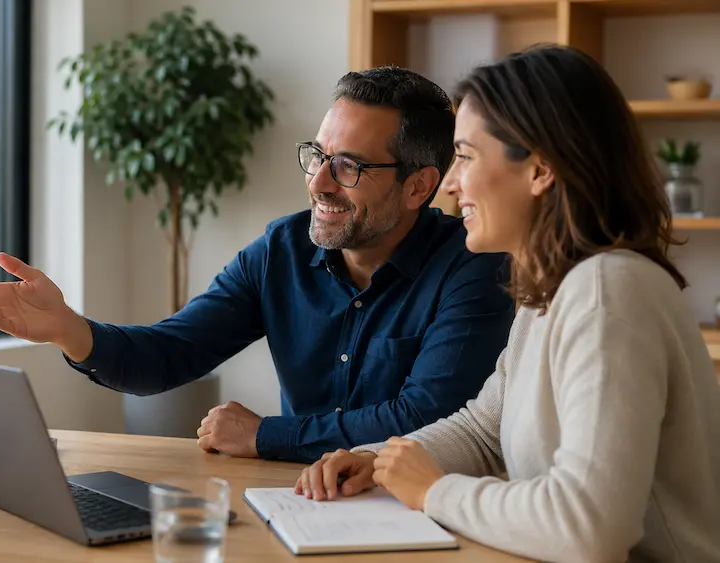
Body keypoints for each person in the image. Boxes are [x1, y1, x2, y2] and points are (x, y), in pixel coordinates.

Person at [0, 67, 515, 464]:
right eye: (317, 155)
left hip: (416, 514)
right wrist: (69, 331)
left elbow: (426, 420)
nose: (317, 183)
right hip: (300, 503)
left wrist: (266, 435)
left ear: (419, 185)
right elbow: (171, 353)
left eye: (347, 167)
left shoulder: (473, 266)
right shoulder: (281, 251)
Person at [294, 44, 720, 563]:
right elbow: (483, 429)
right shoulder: (553, 290)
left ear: (540, 170)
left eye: (466, 157)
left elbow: (589, 528)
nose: (449, 184)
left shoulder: (609, 292)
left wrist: (432, 491)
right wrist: (377, 461)